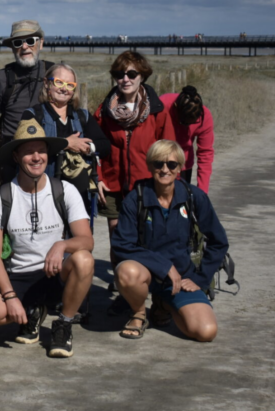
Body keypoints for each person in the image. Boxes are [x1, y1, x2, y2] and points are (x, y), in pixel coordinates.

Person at [0, 118, 94, 359]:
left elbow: (87, 241)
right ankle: (31, 312)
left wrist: (62, 245)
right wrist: (9, 296)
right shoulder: (2, 197)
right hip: (17, 276)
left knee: (84, 260)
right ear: (17, 157)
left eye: (41, 150)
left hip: (54, 273)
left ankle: (63, 324)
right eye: (29, 152)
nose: (36, 157)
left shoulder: (65, 191)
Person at [111, 140, 226, 342]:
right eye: (158, 164)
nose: (165, 169)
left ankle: (163, 305)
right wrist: (165, 267)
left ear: (180, 167)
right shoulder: (135, 197)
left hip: (182, 278)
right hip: (145, 274)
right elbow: (121, 244)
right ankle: (139, 313)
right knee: (127, 271)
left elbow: (219, 242)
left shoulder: (194, 197)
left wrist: (200, 279)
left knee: (206, 332)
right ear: (149, 166)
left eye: (171, 164)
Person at [95, 51, 175, 295]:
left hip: (146, 184)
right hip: (112, 184)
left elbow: (170, 149)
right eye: (120, 74)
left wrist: (169, 183)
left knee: (148, 235)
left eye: (131, 74)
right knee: (117, 235)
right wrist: (97, 177)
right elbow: (95, 148)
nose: (125, 79)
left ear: (143, 76)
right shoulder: (104, 111)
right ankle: (122, 285)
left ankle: (150, 283)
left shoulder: (157, 110)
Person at [20, 62, 111, 210]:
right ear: (47, 83)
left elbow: (105, 146)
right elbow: (26, 148)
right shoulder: (33, 115)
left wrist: (86, 147)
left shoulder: (82, 116)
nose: (64, 89)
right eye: (59, 82)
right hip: (42, 193)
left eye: (70, 85)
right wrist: (65, 144)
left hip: (80, 199)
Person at [0, 20, 52, 189]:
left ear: (41, 43)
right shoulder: (1, 78)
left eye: (30, 41)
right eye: (18, 42)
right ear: (13, 48)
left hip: (47, 158)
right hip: (10, 159)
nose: (25, 47)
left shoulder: (53, 73)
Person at [160, 86, 214, 193]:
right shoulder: (162, 105)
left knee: (181, 200)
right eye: (183, 122)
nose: (187, 126)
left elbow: (205, 154)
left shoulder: (205, 117)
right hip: (159, 162)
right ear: (176, 108)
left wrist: (202, 193)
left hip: (184, 165)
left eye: (192, 123)